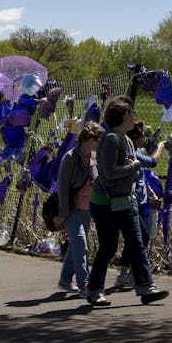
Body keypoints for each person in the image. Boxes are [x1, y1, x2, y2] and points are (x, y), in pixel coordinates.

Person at [85, 97, 168, 306]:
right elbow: (110, 172)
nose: (133, 116)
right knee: (108, 246)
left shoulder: (127, 140)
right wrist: (133, 167)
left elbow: (140, 162)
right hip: (105, 202)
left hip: (124, 200)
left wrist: (140, 163)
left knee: (137, 243)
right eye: (130, 113)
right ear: (122, 117)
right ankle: (94, 290)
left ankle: (146, 287)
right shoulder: (111, 139)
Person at [112, 121, 165, 291]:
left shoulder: (133, 153)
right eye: (142, 136)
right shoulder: (132, 154)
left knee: (136, 238)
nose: (144, 139)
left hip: (141, 202)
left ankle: (125, 273)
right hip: (131, 202)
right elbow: (153, 162)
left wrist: (149, 193)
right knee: (141, 237)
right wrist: (162, 146)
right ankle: (139, 277)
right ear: (135, 138)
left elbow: (141, 176)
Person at [54, 121, 104, 294]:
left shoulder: (93, 156)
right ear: (90, 139)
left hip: (87, 207)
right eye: (99, 140)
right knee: (81, 244)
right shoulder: (69, 158)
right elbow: (62, 187)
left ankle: (65, 279)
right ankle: (85, 284)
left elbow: (96, 178)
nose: (100, 144)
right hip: (71, 208)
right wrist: (62, 213)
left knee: (77, 244)